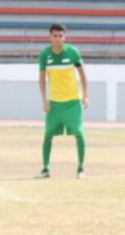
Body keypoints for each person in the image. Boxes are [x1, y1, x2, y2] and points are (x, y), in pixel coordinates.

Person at [37, 23, 88, 179]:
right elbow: (42, 79)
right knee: (47, 135)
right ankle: (45, 169)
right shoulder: (45, 54)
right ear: (50, 37)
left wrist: (85, 95)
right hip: (54, 104)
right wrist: (44, 100)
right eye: (55, 36)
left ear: (64, 37)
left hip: (73, 102)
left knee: (79, 133)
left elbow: (83, 75)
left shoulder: (73, 52)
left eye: (60, 36)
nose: (58, 39)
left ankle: (81, 169)